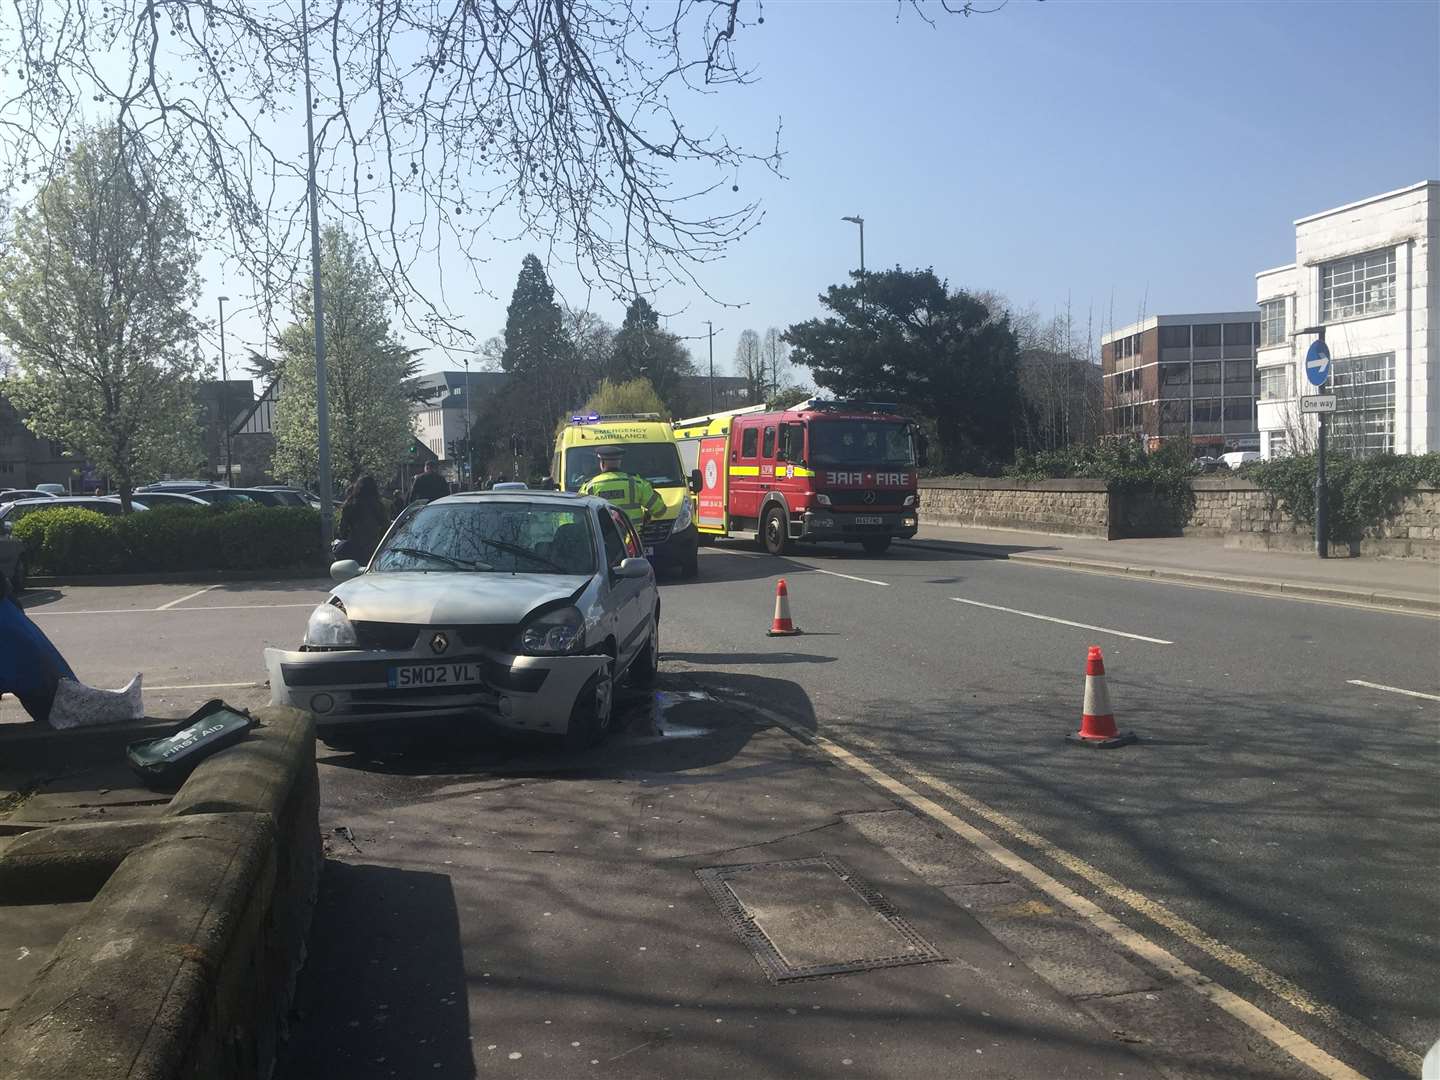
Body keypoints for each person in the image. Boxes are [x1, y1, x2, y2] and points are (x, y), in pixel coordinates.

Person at [579, 446, 663, 530]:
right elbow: (660, 511)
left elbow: (578, 517)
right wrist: (647, 514)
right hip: (632, 539)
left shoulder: (590, 486)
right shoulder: (637, 483)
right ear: (619, 462)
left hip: (602, 539)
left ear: (602, 462)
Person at [337, 476, 391, 564]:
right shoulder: (377, 505)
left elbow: (342, 528)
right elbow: (386, 525)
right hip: (373, 547)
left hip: (354, 546)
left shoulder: (350, 504)